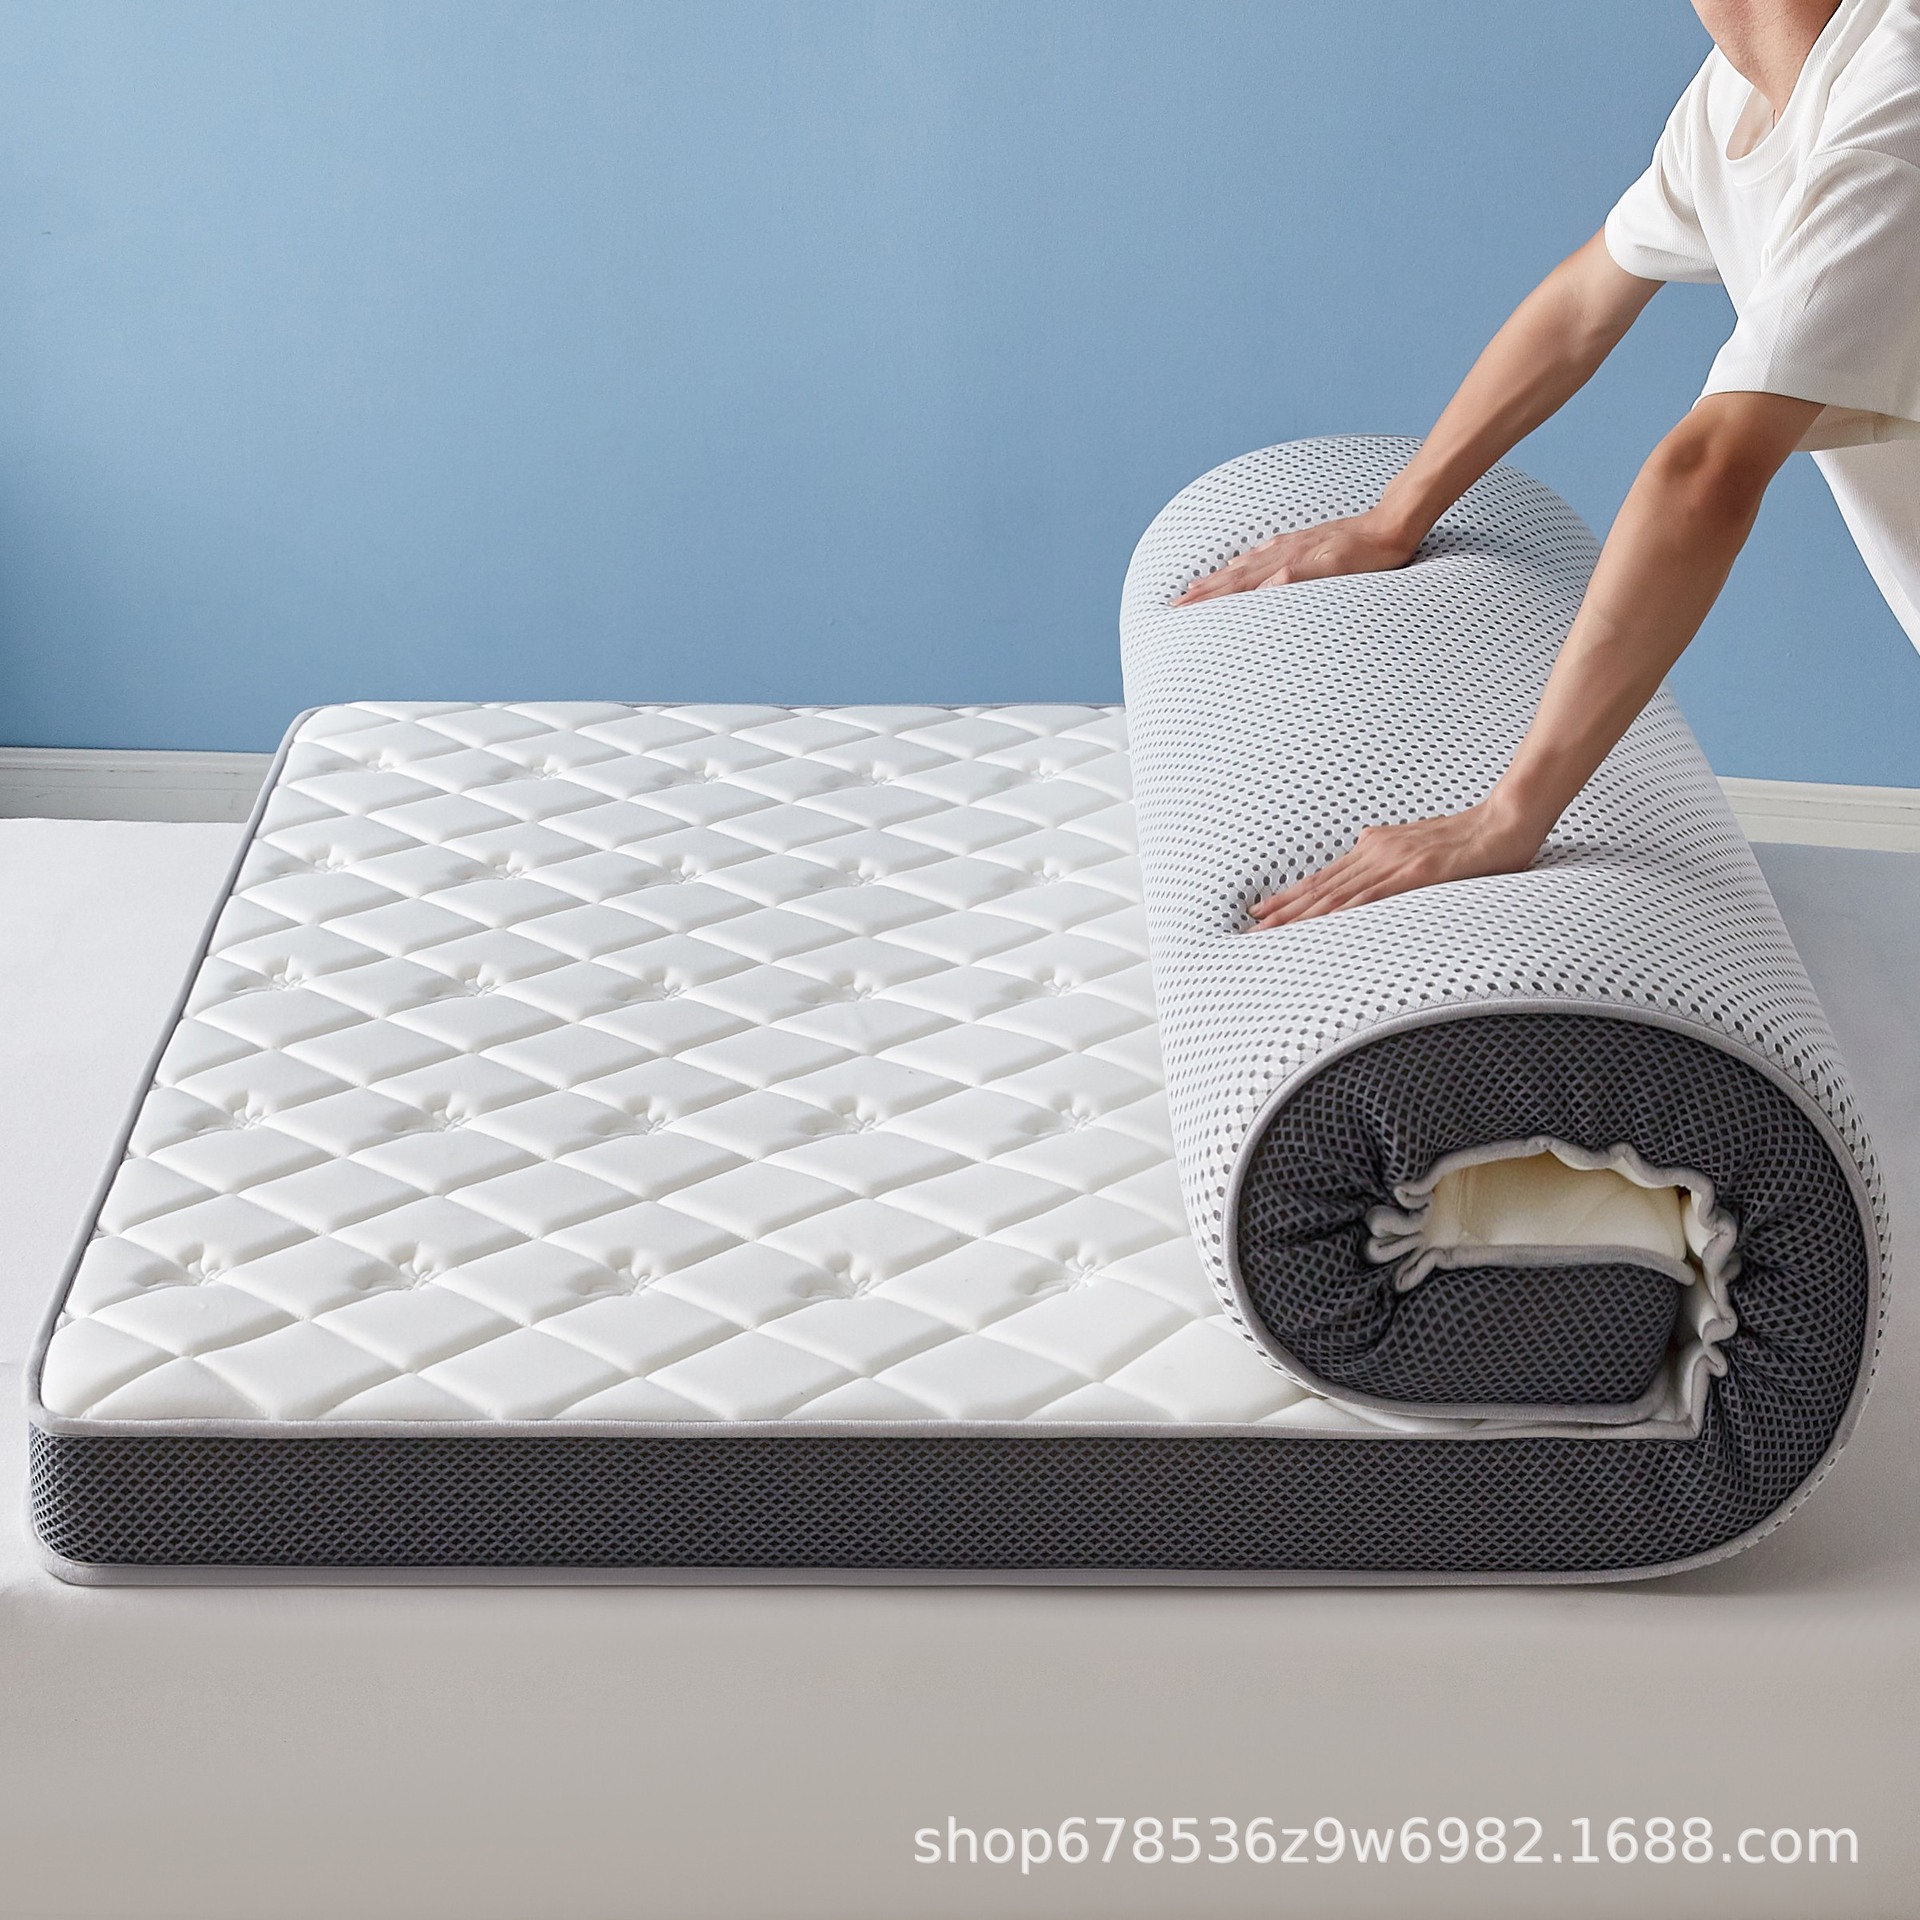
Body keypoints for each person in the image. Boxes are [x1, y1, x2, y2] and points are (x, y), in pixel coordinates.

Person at [1175, 0, 1920, 928]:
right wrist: (1394, 519)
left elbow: (1708, 473)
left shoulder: (1897, 102)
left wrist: (1508, 816)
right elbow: (1581, 308)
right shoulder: (1737, 99)